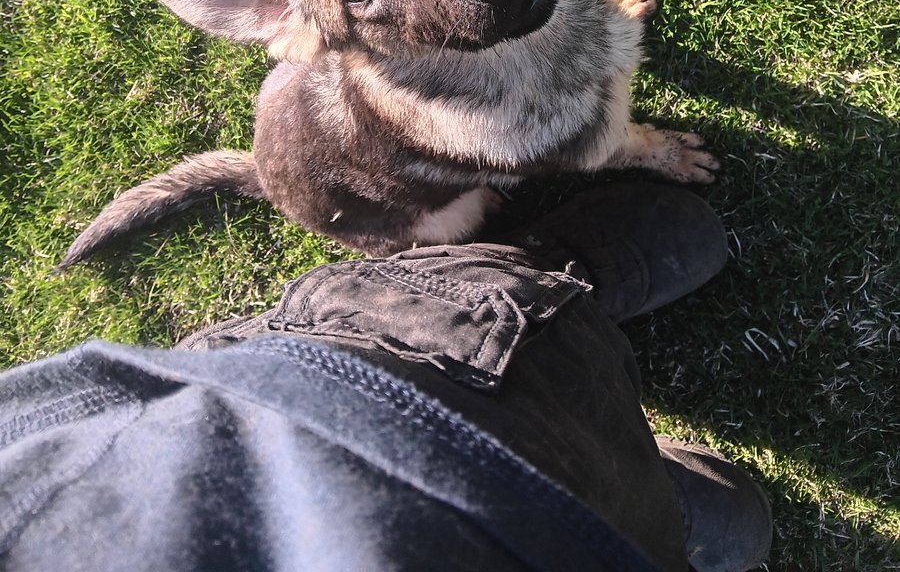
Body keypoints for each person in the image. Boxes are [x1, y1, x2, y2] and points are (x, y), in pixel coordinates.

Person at [0, 184, 771, 571]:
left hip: (294, 402)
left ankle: (535, 282)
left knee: (446, 344)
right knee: (668, 524)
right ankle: (645, 501)